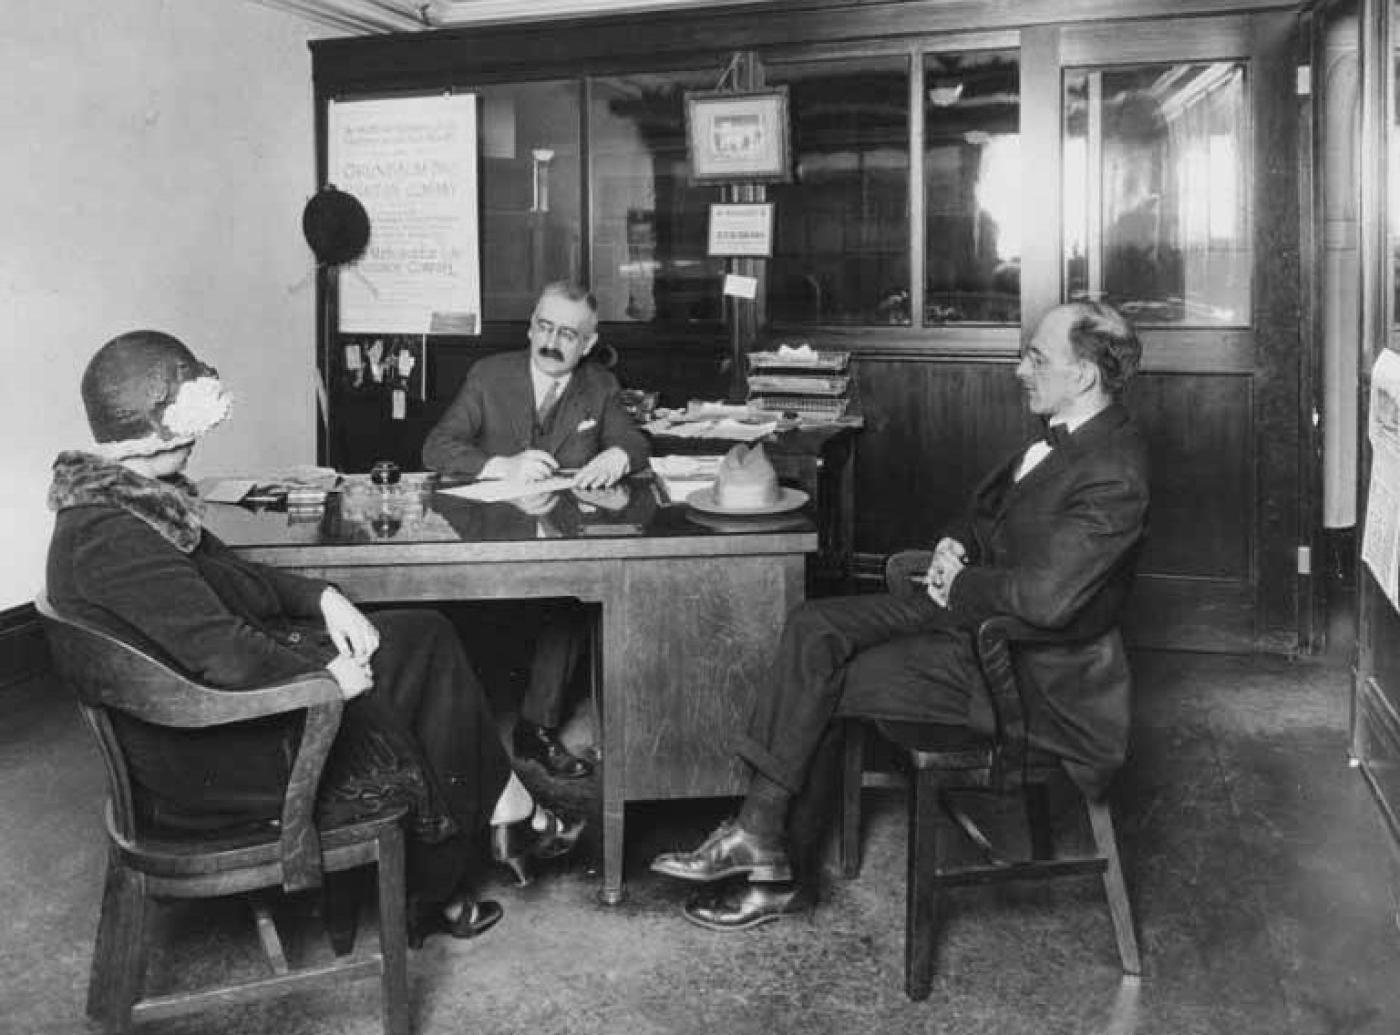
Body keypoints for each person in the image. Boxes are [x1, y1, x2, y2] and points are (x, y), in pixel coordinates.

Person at [46, 330, 584, 947]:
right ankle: (457, 865)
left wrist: (322, 598)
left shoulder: (124, 506)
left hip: (209, 715)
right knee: (402, 674)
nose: (197, 439)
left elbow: (234, 580)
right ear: (156, 426)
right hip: (212, 756)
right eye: (186, 425)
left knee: (423, 634)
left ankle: (503, 815)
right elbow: (223, 655)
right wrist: (325, 680)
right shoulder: (112, 539)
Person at [650, 301, 1150, 930]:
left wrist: (961, 582)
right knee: (813, 626)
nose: (1020, 368)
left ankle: (770, 862)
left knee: (822, 684)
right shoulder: (1062, 437)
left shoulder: (1114, 470)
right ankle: (759, 836)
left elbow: (1049, 601)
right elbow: (992, 515)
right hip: (976, 628)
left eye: (1036, 357)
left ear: (1082, 375)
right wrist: (956, 544)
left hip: (1030, 677)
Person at [422, 281, 650, 780]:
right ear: (530, 328)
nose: (552, 342)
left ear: (587, 344)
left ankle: (536, 728)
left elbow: (633, 443)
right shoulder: (489, 375)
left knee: (572, 603)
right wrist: (499, 465)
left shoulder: (599, 386)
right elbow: (438, 447)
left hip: (561, 540)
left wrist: (617, 454)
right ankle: (456, 741)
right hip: (488, 537)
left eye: (568, 333)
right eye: (544, 327)